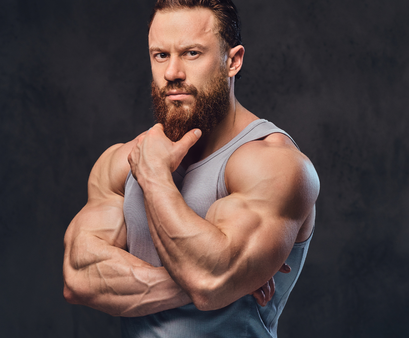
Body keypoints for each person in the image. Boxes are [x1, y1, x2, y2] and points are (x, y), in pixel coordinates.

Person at [62, 0, 319, 336]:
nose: (172, 73)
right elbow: (79, 277)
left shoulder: (274, 164)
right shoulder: (123, 160)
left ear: (233, 61)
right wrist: (214, 286)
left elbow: (209, 280)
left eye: (192, 53)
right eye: (161, 55)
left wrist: (154, 175)